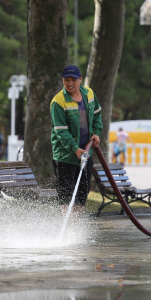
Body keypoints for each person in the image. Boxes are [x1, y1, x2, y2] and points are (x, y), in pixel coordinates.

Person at [50, 65, 102, 216]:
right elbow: (61, 131)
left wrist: (97, 133)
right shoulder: (58, 102)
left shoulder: (89, 94)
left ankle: (74, 226)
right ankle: (68, 228)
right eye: (67, 80)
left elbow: (97, 115)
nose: (70, 83)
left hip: (86, 151)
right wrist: (75, 149)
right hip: (66, 155)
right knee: (66, 193)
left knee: (82, 191)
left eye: (73, 80)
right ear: (63, 81)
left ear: (80, 79)